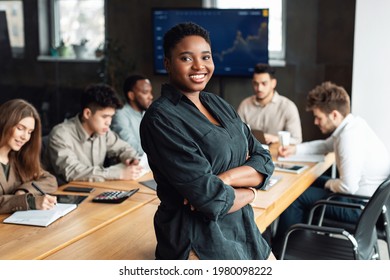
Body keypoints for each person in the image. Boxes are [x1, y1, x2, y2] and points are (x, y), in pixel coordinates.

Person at [140, 22, 275, 260]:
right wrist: (252, 192)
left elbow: (263, 160)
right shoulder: (160, 118)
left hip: (244, 230)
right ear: (168, 64)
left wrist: (227, 178)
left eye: (206, 57)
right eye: (186, 58)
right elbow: (209, 199)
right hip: (198, 242)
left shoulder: (218, 103)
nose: (199, 66)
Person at [275, 81, 390, 243]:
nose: (315, 122)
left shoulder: (348, 138)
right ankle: (302, 239)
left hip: (359, 207)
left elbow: (348, 187)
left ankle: (283, 249)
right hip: (370, 203)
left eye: (318, 117)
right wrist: (295, 149)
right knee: (311, 181)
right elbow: (325, 145)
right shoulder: (353, 126)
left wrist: (328, 183)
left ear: (334, 115)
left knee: (295, 197)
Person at [45, 83, 142, 183]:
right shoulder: (60, 134)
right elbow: (71, 171)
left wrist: (131, 158)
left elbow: (123, 148)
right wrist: (118, 173)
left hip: (96, 189)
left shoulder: (104, 132)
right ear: (87, 113)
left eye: (111, 117)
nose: (109, 122)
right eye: (104, 117)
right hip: (69, 195)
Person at [0, 99, 57, 214]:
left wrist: (23, 190)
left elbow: (50, 180)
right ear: (4, 123)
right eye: (20, 128)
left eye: (30, 132)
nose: (25, 137)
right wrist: (29, 201)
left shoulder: (19, 157)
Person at [237, 63, 302, 144]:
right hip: (251, 153)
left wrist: (277, 138)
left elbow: (297, 139)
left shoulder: (288, 107)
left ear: (273, 83)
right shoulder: (245, 105)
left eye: (264, 83)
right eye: (256, 84)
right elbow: (237, 135)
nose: (259, 88)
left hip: (278, 154)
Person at [111, 74, 153, 156]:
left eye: (151, 92)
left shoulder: (147, 113)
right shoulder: (120, 115)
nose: (151, 96)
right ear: (131, 95)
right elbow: (131, 146)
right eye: (145, 92)